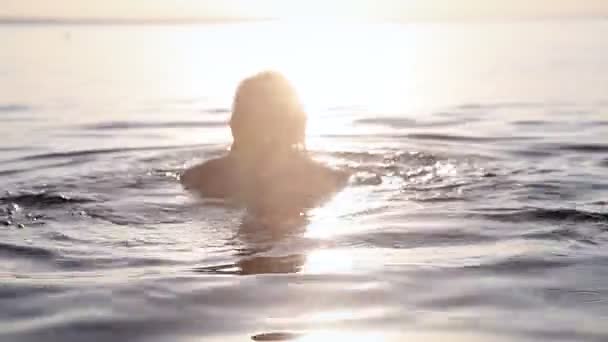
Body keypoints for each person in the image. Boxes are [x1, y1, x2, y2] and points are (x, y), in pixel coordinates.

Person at [181, 71, 349, 215]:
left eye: (270, 121)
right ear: (299, 125)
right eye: (258, 120)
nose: (266, 136)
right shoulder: (332, 181)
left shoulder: (197, 180)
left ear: (235, 125)